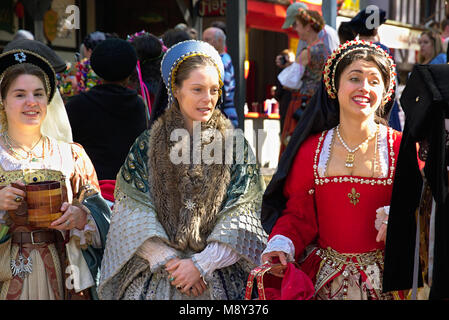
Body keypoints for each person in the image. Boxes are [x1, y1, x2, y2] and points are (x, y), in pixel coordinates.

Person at [98, 40, 267, 300]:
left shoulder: (236, 147)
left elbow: (244, 213)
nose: (208, 99)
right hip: (159, 274)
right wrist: (173, 265)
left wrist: (201, 265)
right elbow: (132, 212)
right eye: (197, 89)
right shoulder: (147, 145)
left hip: (219, 274)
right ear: (176, 90)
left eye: (213, 90)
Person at [260, 40, 405, 300]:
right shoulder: (312, 149)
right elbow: (298, 214)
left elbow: (426, 211)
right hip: (324, 282)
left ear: (385, 92)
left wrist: (402, 216)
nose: (364, 87)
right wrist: (282, 242)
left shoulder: (401, 148)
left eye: (374, 81)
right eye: (355, 78)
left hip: (388, 283)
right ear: (334, 87)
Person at [0, 49, 110, 299]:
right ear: (3, 101)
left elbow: (103, 215)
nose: (31, 102)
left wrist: (81, 217)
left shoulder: (70, 156)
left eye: (38, 94)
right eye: (20, 95)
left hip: (62, 271)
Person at [65, 38, 147, 205]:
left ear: (95, 69)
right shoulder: (138, 104)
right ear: (130, 71)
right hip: (128, 190)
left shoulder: (77, 104)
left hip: (87, 190)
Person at [279, 8, 328, 155]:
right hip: (318, 102)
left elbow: (288, 82)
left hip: (302, 102)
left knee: (292, 141)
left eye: (298, 25)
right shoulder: (325, 49)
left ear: (307, 27)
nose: (296, 29)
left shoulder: (308, 52)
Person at [349, 7, 403, 132]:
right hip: (382, 107)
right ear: (374, 29)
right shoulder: (383, 50)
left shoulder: (351, 48)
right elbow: (393, 85)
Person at [203, 27, 239, 128]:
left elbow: (221, 91)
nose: (203, 42)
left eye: (207, 39)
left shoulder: (221, 61)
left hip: (224, 114)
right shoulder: (221, 59)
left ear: (219, 41)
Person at [274, 49, 295, 131]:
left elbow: (278, 93)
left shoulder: (295, 70)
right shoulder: (295, 70)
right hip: (293, 105)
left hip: (286, 105)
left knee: (285, 130)